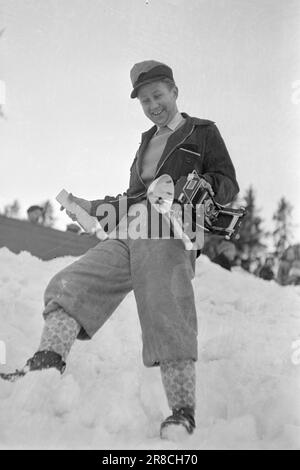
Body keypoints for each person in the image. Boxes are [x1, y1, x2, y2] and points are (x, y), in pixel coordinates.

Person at [2, 61, 239, 438]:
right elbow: (132, 199)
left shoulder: (203, 133)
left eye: (158, 96)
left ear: (174, 91)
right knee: (70, 283)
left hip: (169, 232)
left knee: (166, 308)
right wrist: (90, 207)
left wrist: (188, 186)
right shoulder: (145, 141)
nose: (152, 105)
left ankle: (182, 411)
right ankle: (45, 366)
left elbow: (227, 184)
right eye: (145, 100)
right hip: (131, 229)